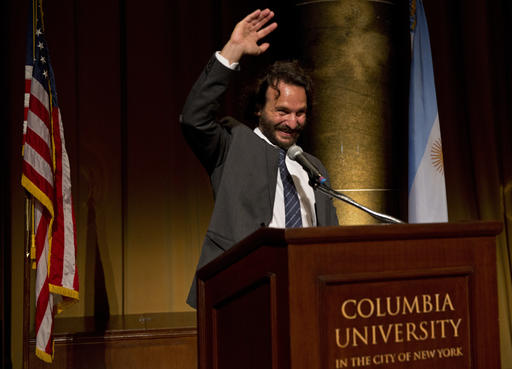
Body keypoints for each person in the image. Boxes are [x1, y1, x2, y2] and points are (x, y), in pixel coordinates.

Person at [180, 9, 339, 308]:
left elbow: (330, 240)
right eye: (282, 111)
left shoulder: (312, 167)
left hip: (309, 295)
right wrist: (232, 52)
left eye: (300, 113)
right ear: (258, 109)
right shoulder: (231, 144)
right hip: (243, 294)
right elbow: (193, 119)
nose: (292, 123)